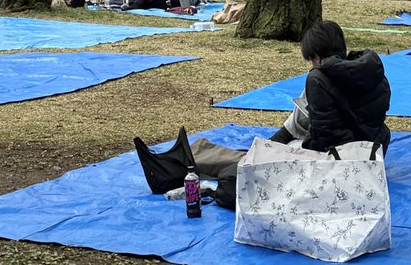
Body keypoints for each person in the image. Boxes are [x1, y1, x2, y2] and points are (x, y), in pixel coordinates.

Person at [137, 21, 391, 198]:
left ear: (317, 56)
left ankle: (179, 164)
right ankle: (196, 154)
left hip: (339, 162)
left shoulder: (319, 79)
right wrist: (274, 143)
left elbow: (327, 139)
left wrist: (279, 150)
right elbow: (309, 118)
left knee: (257, 162)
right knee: (268, 149)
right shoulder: (370, 71)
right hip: (371, 153)